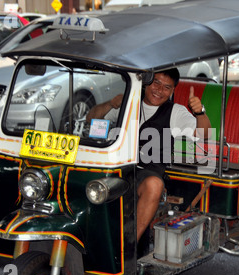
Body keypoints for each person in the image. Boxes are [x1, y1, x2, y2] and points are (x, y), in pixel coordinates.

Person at [87, 69, 211, 241]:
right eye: (156, 83)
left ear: (172, 91)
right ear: (146, 82)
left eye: (166, 87)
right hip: (115, 168)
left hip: (147, 172)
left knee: (154, 185)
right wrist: (110, 104)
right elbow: (90, 118)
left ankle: (129, 246)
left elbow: (204, 134)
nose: (159, 90)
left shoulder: (175, 112)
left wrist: (200, 112)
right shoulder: (129, 101)